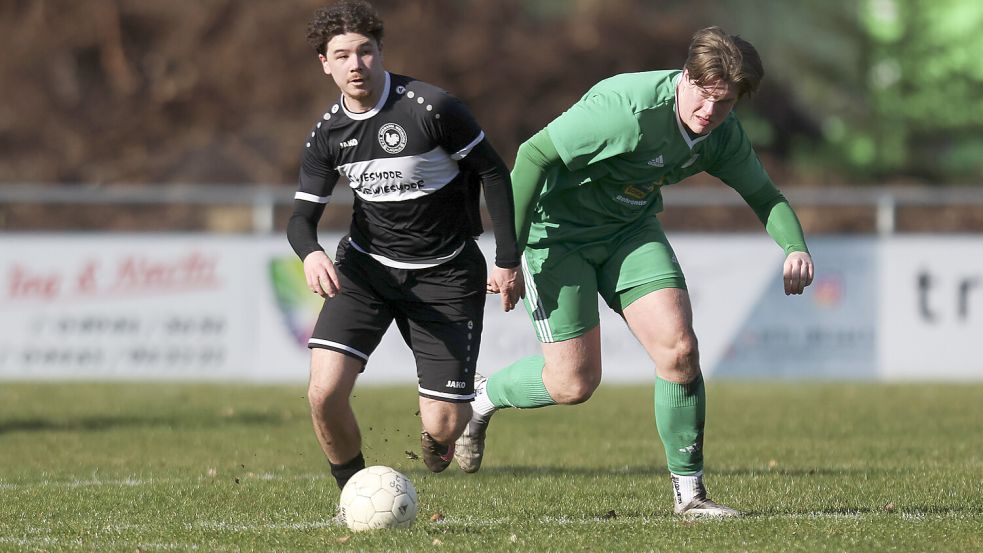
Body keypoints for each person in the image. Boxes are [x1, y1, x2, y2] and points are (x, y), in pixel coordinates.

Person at [454, 26, 814, 517]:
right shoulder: (626, 110)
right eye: (704, 97)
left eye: (725, 102)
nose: (710, 113)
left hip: (629, 230)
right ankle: (483, 396)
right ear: (685, 76)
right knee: (573, 385)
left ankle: (690, 497)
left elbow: (764, 195)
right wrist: (507, 255)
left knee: (680, 351)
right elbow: (533, 155)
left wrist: (795, 247)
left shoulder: (720, 135)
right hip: (557, 236)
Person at [288, 0, 523, 491]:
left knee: (441, 433)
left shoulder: (431, 108)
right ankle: (352, 493)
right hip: (366, 272)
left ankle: (461, 411)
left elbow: (494, 173)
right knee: (323, 393)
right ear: (324, 63)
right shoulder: (328, 134)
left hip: (445, 273)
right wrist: (310, 252)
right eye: (343, 55)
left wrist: (506, 260)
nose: (356, 65)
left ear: (380, 51)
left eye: (365, 51)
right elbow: (300, 219)